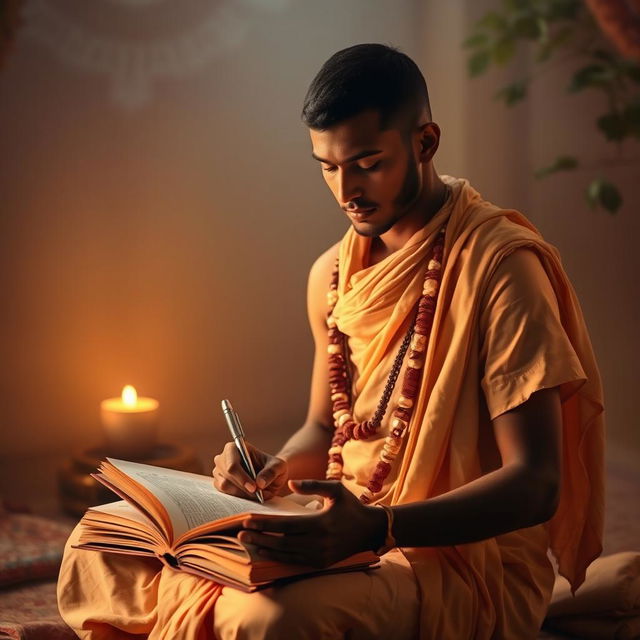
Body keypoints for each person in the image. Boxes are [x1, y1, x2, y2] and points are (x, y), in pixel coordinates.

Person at [57, 43, 605, 640]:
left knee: (270, 619)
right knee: (99, 538)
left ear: (426, 142)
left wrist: (378, 528)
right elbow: (326, 428)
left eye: (367, 162)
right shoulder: (332, 274)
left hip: (453, 558)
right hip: (341, 523)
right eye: (327, 165)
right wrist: (273, 470)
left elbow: (537, 483)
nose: (346, 189)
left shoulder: (500, 269)